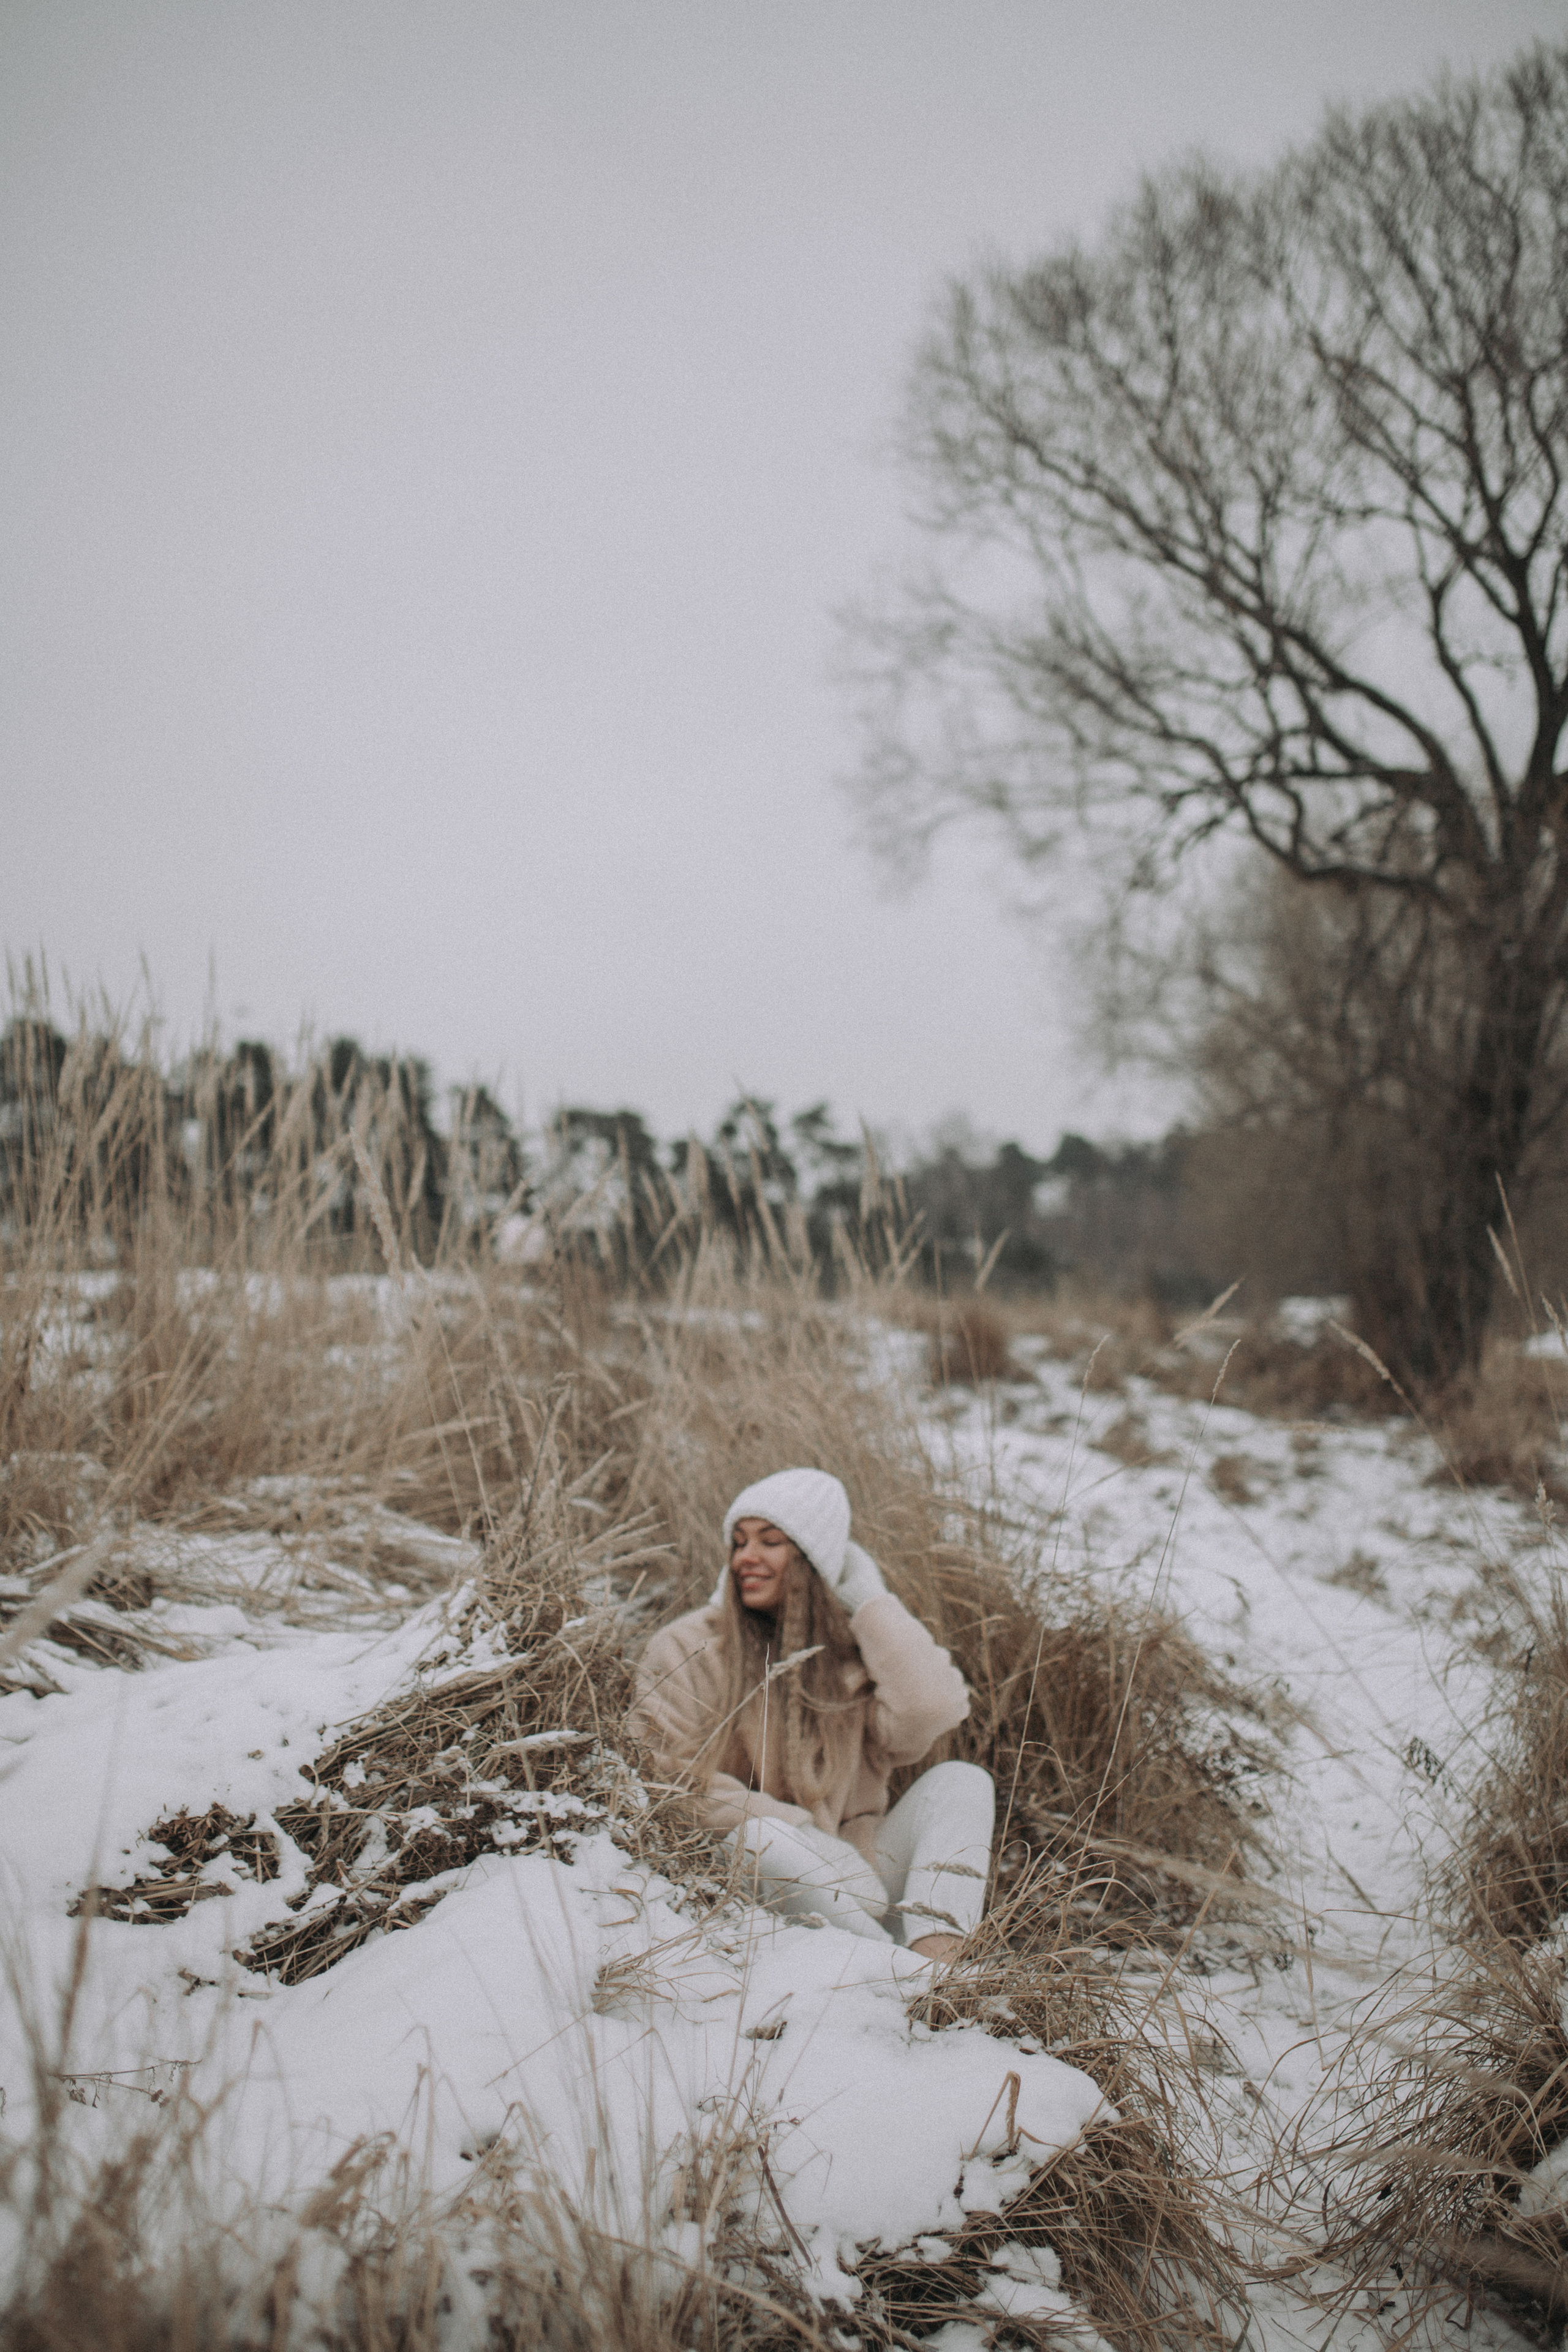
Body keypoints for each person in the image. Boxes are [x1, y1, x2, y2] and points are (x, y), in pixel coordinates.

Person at [630, 1466, 995, 1961]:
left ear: (812, 1561)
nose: (746, 1558)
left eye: (770, 1542)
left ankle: (939, 1959)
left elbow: (933, 1708)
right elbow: (666, 1777)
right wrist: (799, 1833)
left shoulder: (855, 1657)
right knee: (761, 1839)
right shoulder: (690, 1647)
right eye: (738, 1543)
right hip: (756, 1878)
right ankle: (891, 1971)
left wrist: (869, 1601)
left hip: (863, 1882)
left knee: (962, 1782)